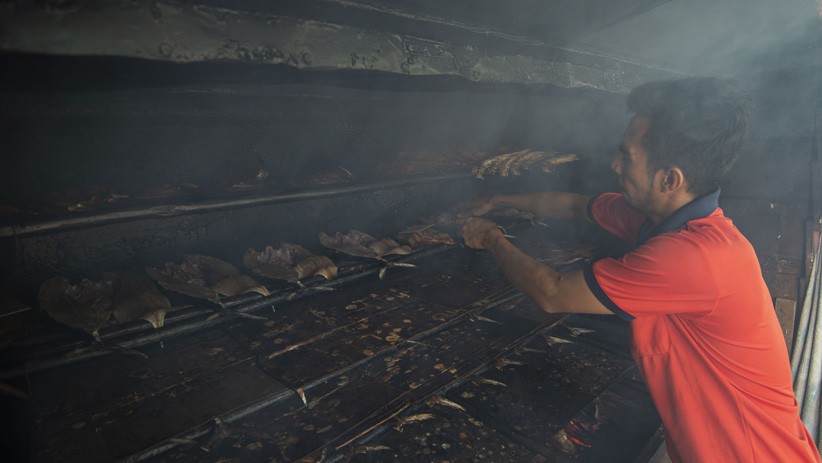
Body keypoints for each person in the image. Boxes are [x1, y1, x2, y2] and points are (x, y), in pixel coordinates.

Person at [460, 77, 821, 462]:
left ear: (669, 179)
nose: (614, 164)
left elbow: (553, 292)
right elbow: (577, 205)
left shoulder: (694, 256)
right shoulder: (665, 220)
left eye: (627, 156)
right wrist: (500, 198)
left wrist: (492, 239)